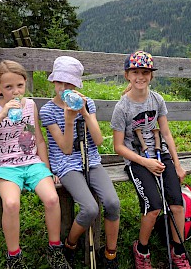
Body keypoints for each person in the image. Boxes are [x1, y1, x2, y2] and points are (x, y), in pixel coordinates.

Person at [0, 60, 69, 269]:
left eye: (19, 85)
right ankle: (14, 257)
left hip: (32, 163)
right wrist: (1, 115)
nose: (15, 91)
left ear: (25, 83)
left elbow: (39, 139)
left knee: (52, 198)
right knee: (11, 204)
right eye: (8, 87)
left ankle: (55, 249)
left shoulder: (30, 105)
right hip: (5, 168)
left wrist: (47, 169)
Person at [111, 50, 191, 269]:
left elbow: (166, 134)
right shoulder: (122, 107)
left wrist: (177, 164)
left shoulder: (157, 100)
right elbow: (118, 146)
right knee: (154, 206)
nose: (140, 77)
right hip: (137, 160)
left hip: (159, 153)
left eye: (145, 72)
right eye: (135, 72)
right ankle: (142, 249)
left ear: (151, 75)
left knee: (177, 203)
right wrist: (144, 162)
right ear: (127, 75)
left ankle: (178, 250)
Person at [39, 56, 120, 269]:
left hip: (91, 159)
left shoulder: (87, 104)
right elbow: (65, 148)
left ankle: (110, 253)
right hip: (65, 163)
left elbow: (99, 141)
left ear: (76, 86)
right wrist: (68, 118)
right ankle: (70, 245)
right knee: (90, 209)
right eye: (60, 83)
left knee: (113, 203)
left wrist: (84, 112)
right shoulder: (48, 111)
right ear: (53, 82)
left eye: (70, 84)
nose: (64, 88)